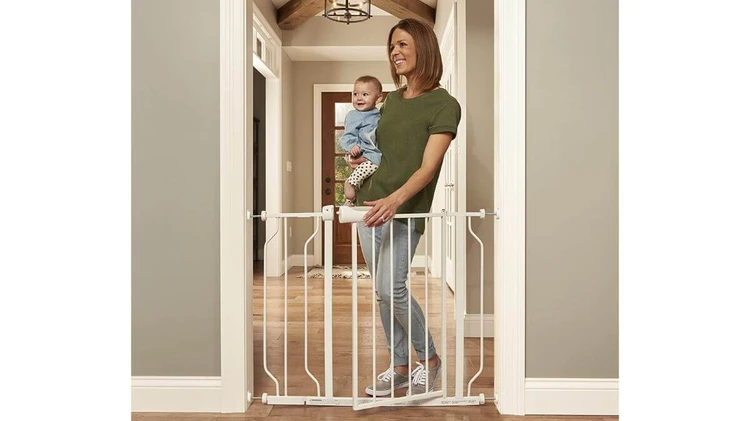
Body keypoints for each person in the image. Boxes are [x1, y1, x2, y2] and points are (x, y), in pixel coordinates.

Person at [350, 18, 461, 397]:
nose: (395, 52)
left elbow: (428, 168)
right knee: (381, 293)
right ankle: (398, 366)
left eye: (403, 45)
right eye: (392, 46)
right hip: (370, 206)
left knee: (391, 287)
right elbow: (384, 154)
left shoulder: (445, 105)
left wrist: (395, 201)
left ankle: (428, 360)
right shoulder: (391, 101)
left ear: (424, 49)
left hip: (403, 210)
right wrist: (358, 159)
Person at [339, 76, 384, 206]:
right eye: (355, 94)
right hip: (364, 153)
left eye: (365, 94)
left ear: (378, 98)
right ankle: (350, 185)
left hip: (373, 153)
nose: (359, 98)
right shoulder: (354, 115)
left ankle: (350, 199)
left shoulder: (378, 114)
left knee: (364, 177)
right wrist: (352, 146)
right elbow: (348, 135)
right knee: (360, 175)